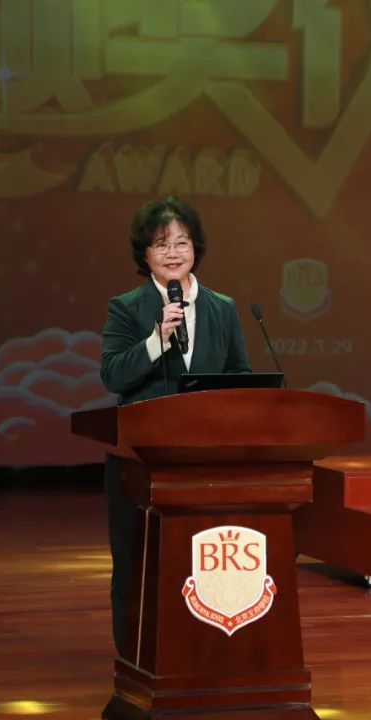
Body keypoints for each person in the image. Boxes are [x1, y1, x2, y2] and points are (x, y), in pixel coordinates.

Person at [98, 196, 252, 656]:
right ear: (144, 253)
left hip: (204, 460)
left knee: (198, 559)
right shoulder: (127, 308)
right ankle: (134, 657)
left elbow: (240, 376)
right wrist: (156, 340)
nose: (172, 253)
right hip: (140, 459)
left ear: (195, 248)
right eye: (161, 244)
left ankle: (200, 651)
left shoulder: (222, 308)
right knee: (137, 562)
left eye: (182, 243)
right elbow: (113, 375)